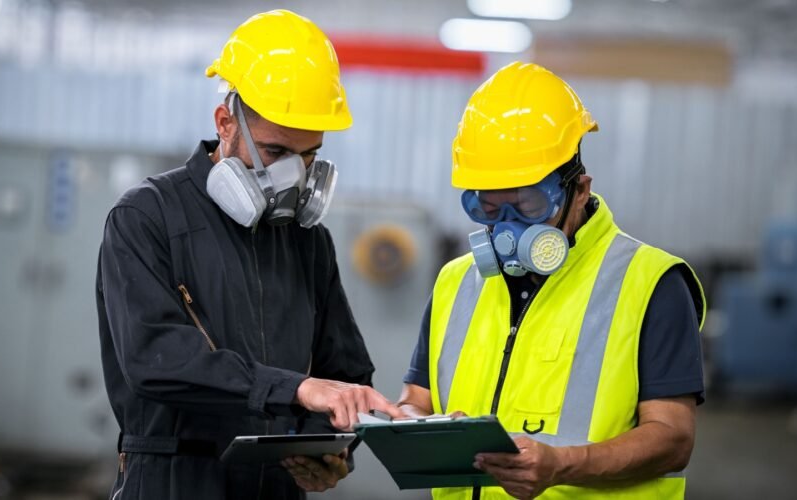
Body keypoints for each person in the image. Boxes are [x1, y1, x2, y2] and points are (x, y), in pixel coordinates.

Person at [96, 10, 402, 500]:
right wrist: (296, 389)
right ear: (225, 123)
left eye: (308, 157)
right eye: (277, 153)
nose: (295, 178)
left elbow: (344, 375)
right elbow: (157, 360)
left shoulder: (308, 242)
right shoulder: (147, 217)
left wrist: (332, 450)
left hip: (276, 486)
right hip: (173, 482)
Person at [396, 62, 706, 499]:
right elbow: (416, 399)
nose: (507, 230)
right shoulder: (455, 282)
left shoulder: (651, 283)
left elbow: (673, 438)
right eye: (488, 208)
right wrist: (415, 425)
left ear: (579, 190)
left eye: (528, 206)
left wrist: (563, 465)